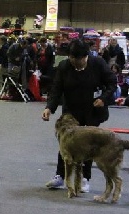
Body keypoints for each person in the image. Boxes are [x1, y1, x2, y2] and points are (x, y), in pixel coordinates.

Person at [41, 38, 117, 191]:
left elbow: (112, 83)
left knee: (87, 146)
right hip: (71, 112)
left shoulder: (98, 64)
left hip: (92, 111)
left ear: (85, 57)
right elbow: (56, 89)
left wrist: (103, 98)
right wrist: (49, 107)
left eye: (78, 60)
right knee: (66, 143)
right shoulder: (64, 66)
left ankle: (84, 179)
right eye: (71, 59)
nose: (74, 63)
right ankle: (60, 175)